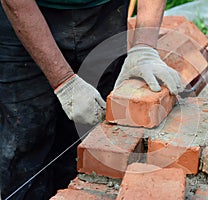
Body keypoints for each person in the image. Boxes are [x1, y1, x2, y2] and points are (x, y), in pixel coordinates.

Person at [0, 0, 183, 199]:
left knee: (90, 139)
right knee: (26, 140)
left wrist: (144, 48)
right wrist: (63, 82)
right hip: (26, 19)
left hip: (105, 14)